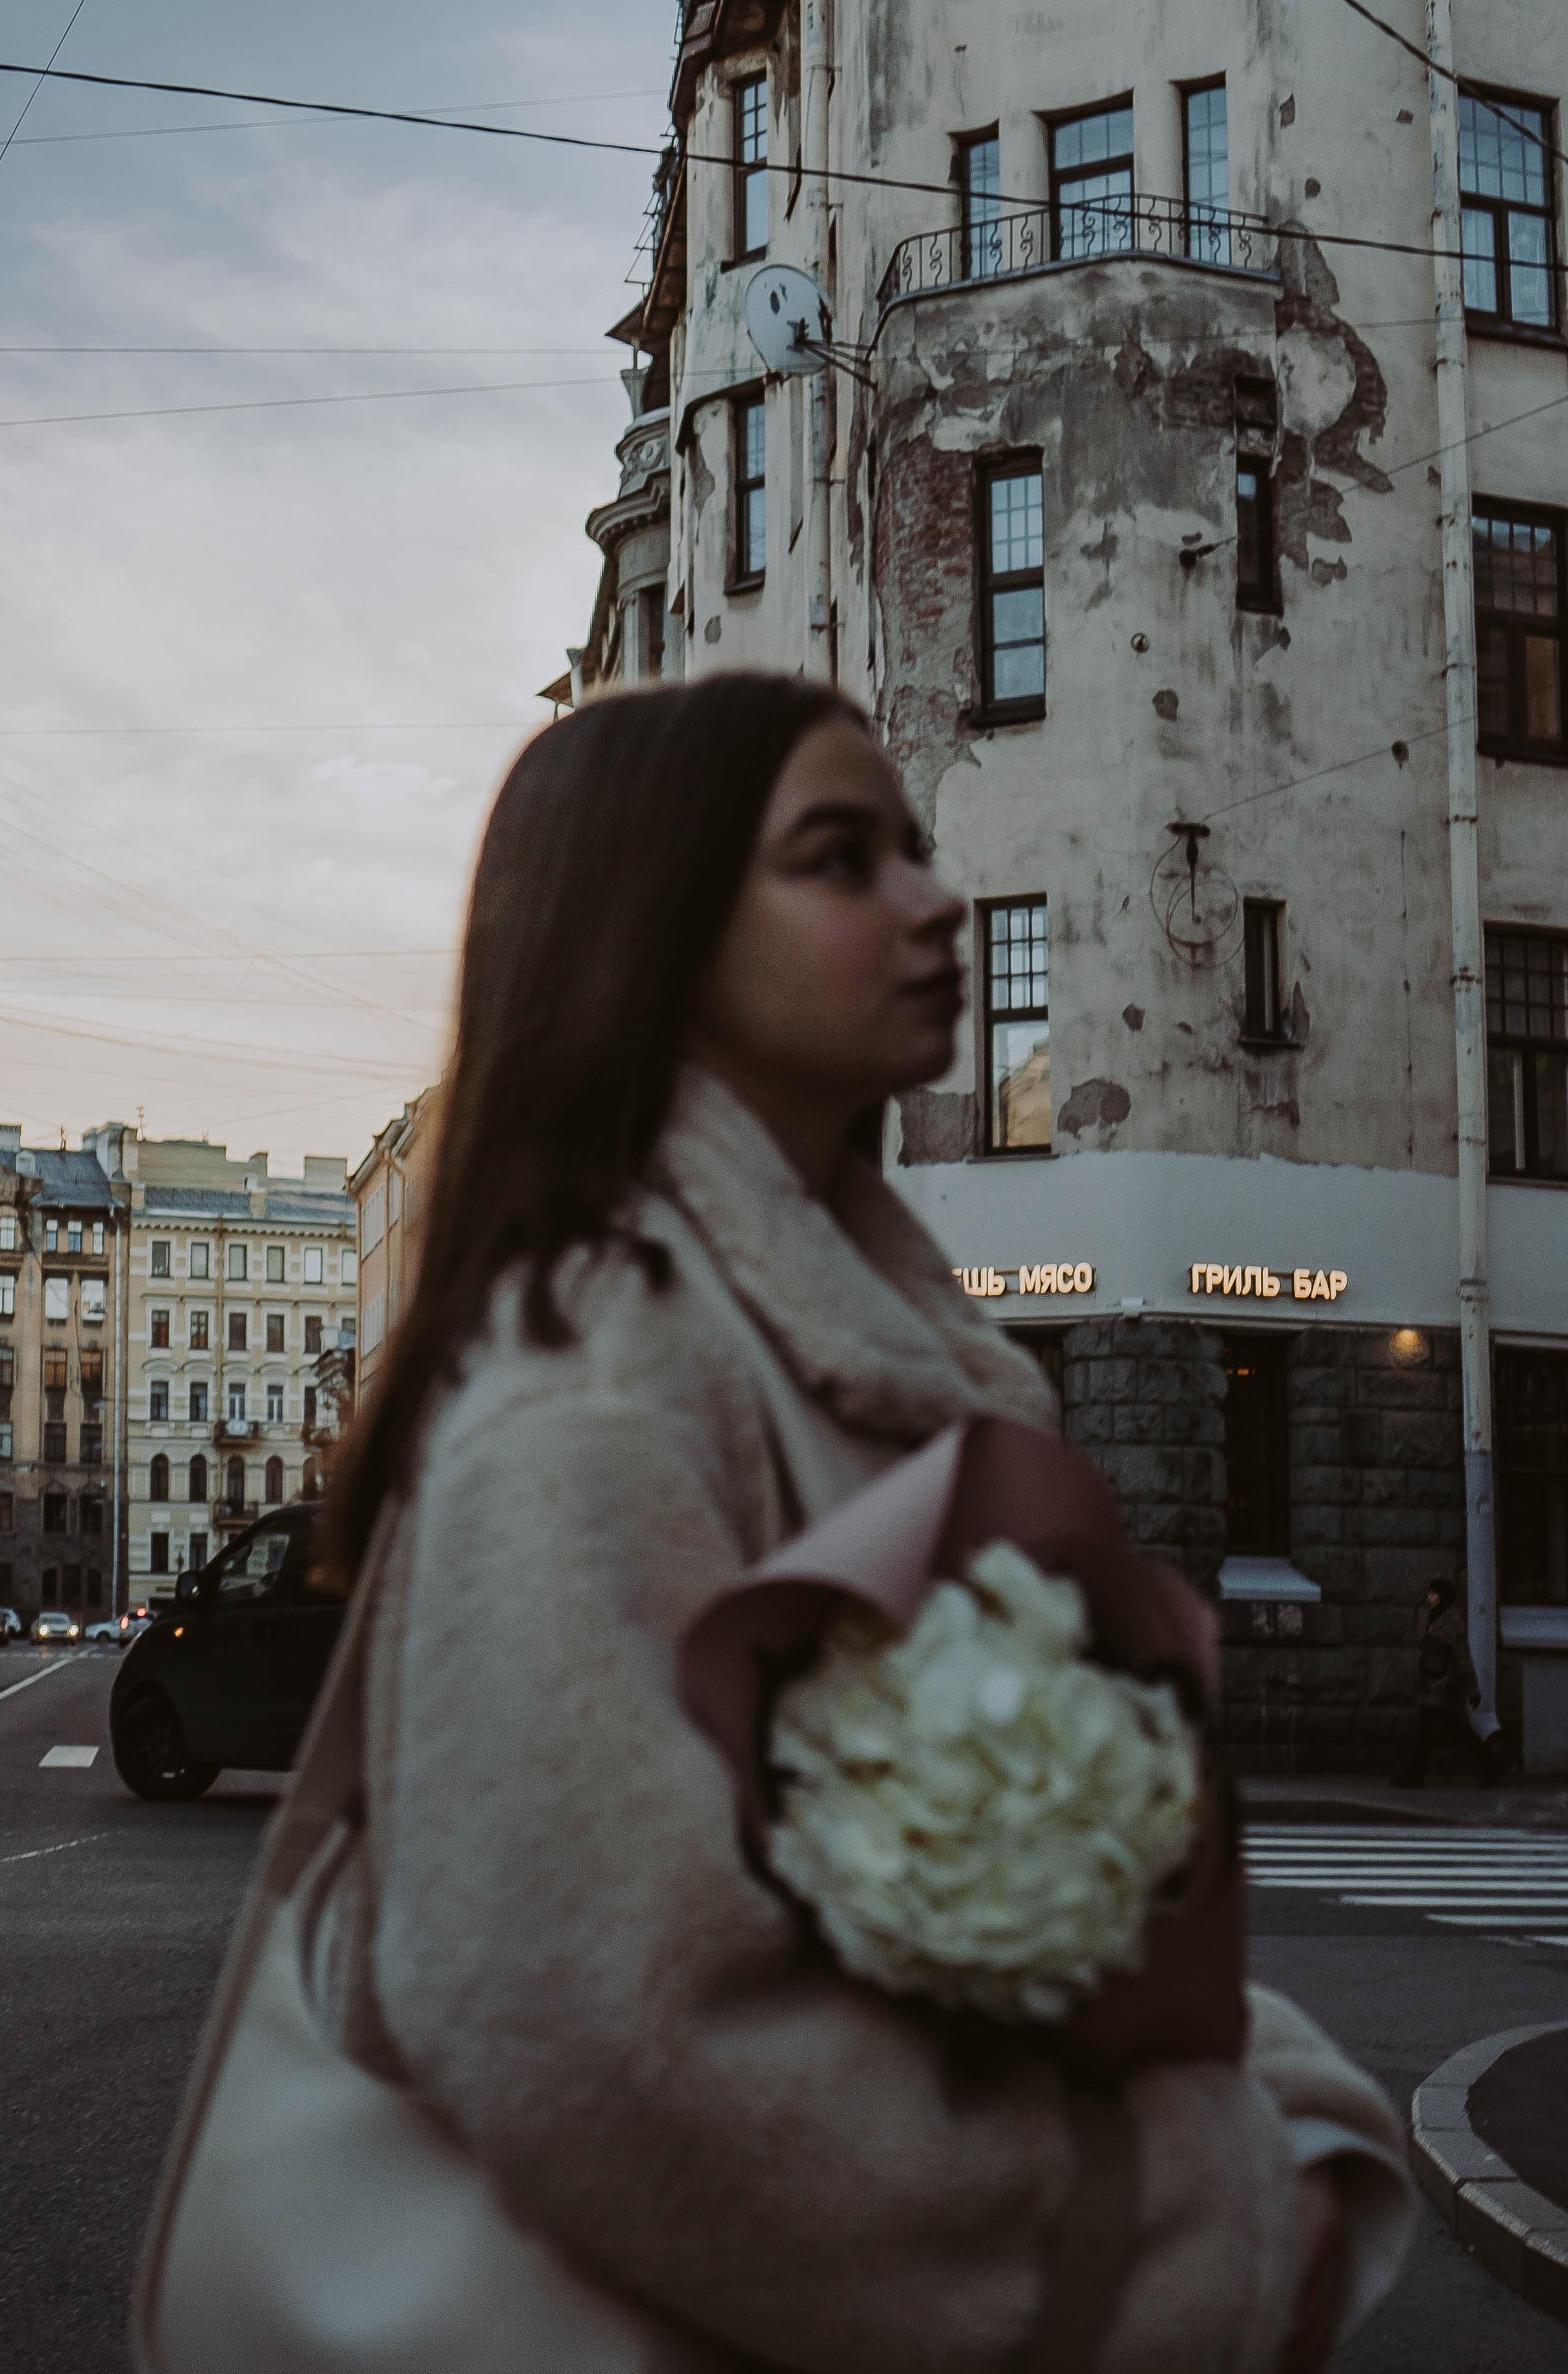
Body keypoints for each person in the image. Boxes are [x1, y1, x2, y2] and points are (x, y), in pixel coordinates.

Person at [323, 676, 1410, 2374]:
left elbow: (1055, 1937)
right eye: (841, 859)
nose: (936, 899)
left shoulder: (858, 1342)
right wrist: (1194, 2238)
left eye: (914, 844)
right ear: (658, 932)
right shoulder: (602, 1383)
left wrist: (1275, 2112)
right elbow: (600, 2034)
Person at [1397, 1578, 1495, 1788]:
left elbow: (1463, 1659)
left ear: (1444, 1598)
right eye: (1430, 1594)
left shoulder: (1451, 1624)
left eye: (1434, 1595)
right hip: (1432, 1685)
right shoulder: (1436, 1619)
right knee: (1455, 1731)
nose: (1429, 1598)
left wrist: (1473, 1690)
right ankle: (1491, 1765)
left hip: (1444, 1686)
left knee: (1430, 1731)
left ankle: (1416, 1776)